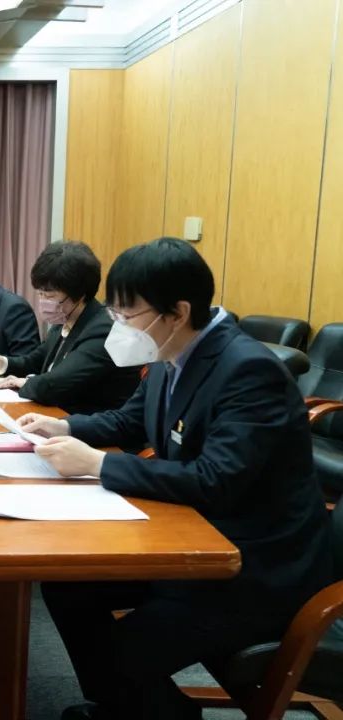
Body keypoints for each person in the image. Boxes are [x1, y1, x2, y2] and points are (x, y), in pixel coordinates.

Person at [17, 238, 332, 720]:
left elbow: (215, 480)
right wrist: (65, 428)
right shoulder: (173, 353)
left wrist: (98, 464)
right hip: (195, 537)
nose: (119, 325)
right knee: (68, 587)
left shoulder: (249, 371)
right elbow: (129, 421)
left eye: (128, 314)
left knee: (125, 652)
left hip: (254, 567)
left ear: (178, 312)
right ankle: (128, 705)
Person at [0, 241, 140, 415]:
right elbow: (35, 361)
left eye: (50, 296)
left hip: (88, 424)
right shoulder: (63, 320)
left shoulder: (104, 329)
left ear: (79, 294)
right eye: (40, 294)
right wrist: (1, 363)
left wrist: (26, 382)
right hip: (55, 416)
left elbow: (56, 384)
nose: (43, 301)